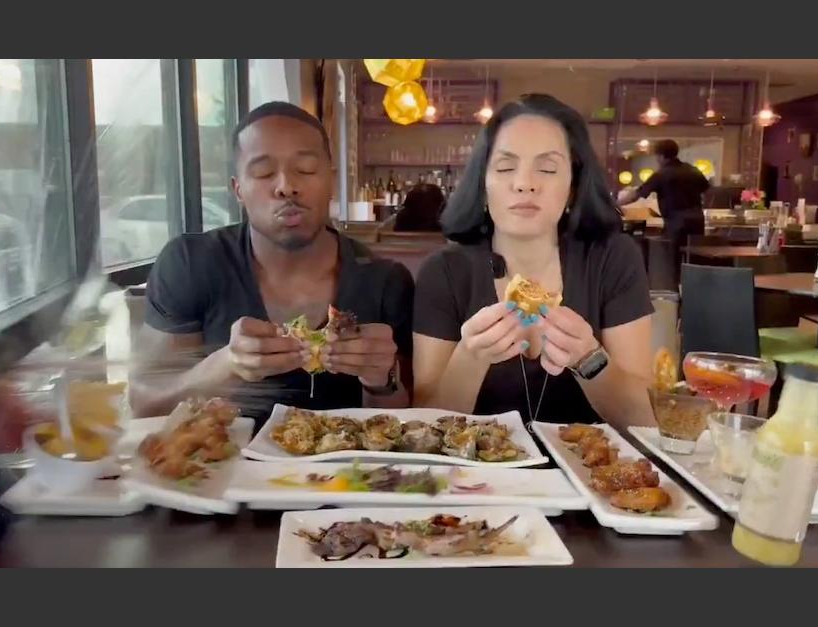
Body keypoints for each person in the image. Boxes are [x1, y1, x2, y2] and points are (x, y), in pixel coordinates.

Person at [130, 101, 414, 424]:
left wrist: (381, 379)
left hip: (340, 473)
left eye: (306, 169)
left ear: (331, 180)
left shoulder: (385, 281)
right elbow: (144, 404)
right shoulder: (190, 263)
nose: (286, 186)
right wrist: (225, 365)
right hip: (221, 470)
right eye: (264, 173)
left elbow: (407, 422)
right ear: (238, 190)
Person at [412, 93, 655, 428]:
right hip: (477, 477)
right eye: (506, 167)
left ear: (573, 186)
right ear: (484, 184)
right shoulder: (444, 272)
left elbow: (645, 419)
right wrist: (470, 359)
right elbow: (424, 423)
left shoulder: (612, 258)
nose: (525, 183)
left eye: (547, 168)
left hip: (590, 476)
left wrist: (589, 359)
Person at [617, 139, 709, 270]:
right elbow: (706, 189)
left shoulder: (661, 174)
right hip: (698, 220)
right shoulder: (692, 170)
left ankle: (677, 287)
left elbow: (637, 195)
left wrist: (615, 204)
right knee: (696, 259)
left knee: (674, 261)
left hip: (676, 222)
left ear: (660, 156)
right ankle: (694, 286)